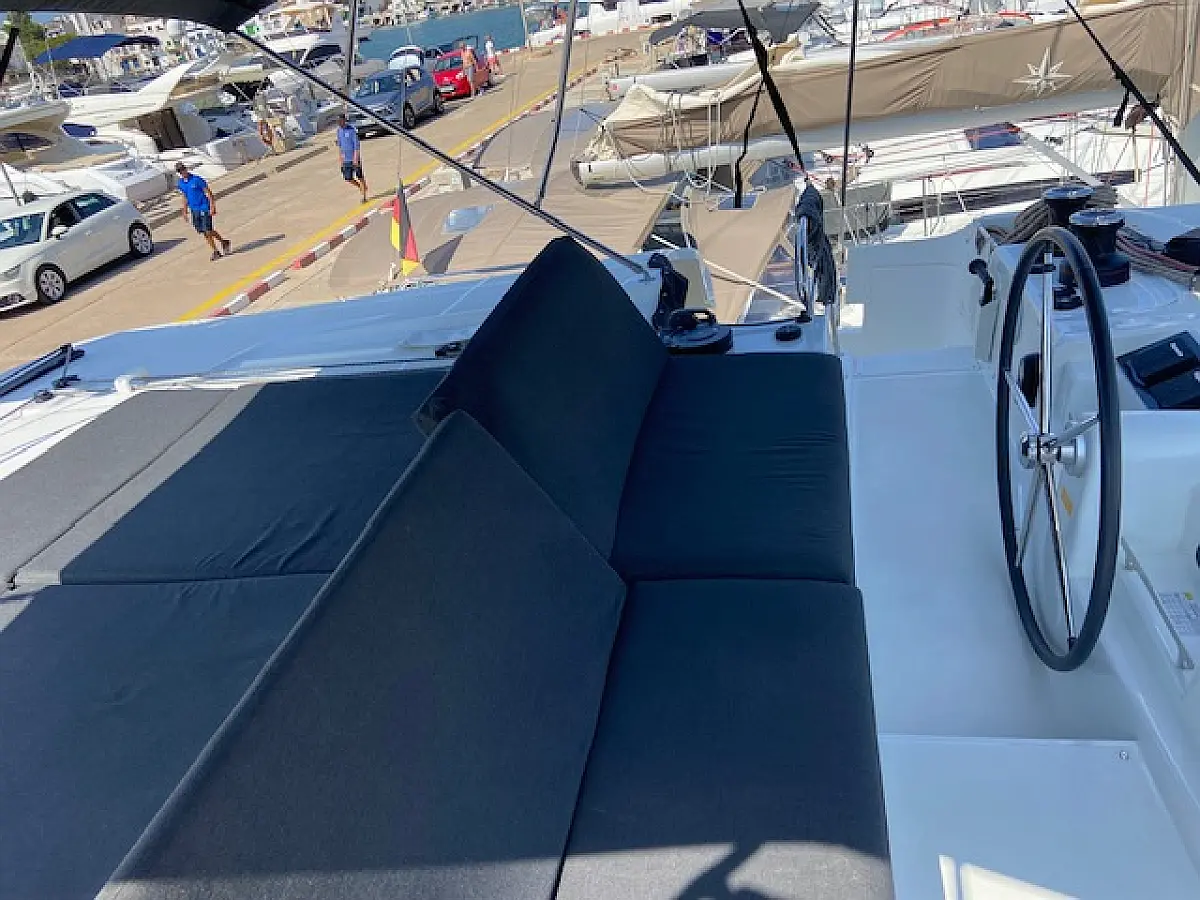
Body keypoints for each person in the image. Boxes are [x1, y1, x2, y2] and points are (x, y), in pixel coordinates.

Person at [175, 162, 230, 262]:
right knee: (204, 231)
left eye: (183, 169)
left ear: (186, 169)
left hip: (204, 207)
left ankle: (217, 249)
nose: (182, 172)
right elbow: (184, 196)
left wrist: (212, 206)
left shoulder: (196, 179)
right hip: (194, 209)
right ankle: (221, 244)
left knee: (207, 230)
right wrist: (184, 210)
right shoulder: (181, 183)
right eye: (180, 171)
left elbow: (208, 192)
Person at [335, 113, 368, 204]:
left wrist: (355, 158)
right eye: (337, 121)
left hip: (354, 157)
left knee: (359, 176)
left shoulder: (352, 130)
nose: (338, 123)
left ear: (344, 120)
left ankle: (364, 196)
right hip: (346, 159)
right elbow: (340, 146)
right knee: (348, 178)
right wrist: (341, 159)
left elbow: (356, 145)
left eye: (340, 121)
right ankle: (361, 187)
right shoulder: (339, 131)